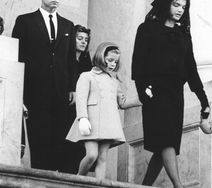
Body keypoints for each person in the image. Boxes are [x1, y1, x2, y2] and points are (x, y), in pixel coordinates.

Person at [131, 0, 210, 187]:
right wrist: (144, 93)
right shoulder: (147, 29)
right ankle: (178, 185)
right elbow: (138, 64)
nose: (180, 10)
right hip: (155, 94)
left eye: (183, 6)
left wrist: (203, 99)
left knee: (164, 146)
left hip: (176, 95)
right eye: (176, 4)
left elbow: (191, 69)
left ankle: (145, 185)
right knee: (167, 142)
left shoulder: (183, 34)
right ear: (165, 3)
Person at [12, 0, 77, 172]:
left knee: (59, 137)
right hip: (34, 91)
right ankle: (41, 176)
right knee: (38, 136)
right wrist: (18, 90)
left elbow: (71, 60)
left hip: (61, 91)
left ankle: (54, 177)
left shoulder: (68, 25)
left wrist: (72, 88)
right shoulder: (25, 21)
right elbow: (18, 56)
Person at [66, 42, 141, 178]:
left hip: (109, 122)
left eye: (115, 61)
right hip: (91, 121)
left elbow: (122, 103)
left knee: (102, 158)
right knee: (91, 155)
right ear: (101, 56)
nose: (113, 64)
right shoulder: (86, 76)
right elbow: (81, 98)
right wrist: (82, 118)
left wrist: (142, 100)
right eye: (110, 60)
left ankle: (99, 185)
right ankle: (78, 180)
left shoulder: (114, 80)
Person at [65, 24, 93, 173]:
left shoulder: (86, 62)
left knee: (80, 146)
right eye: (80, 38)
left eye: (86, 39)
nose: (83, 42)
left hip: (81, 110)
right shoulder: (64, 59)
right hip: (66, 107)